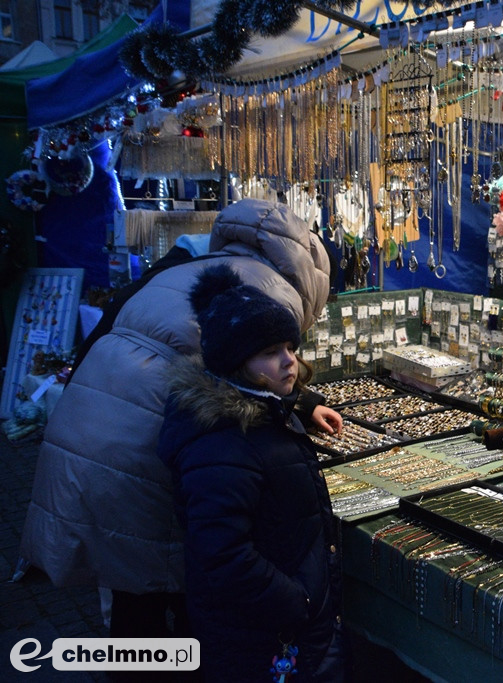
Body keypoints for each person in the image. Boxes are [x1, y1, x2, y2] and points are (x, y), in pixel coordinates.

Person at [19, 198, 338, 650]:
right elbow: (242, 362)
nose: (289, 355)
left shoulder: (200, 266)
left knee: (132, 591)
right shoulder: (266, 289)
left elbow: (230, 357)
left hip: (87, 422)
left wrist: (304, 403)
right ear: (309, 273)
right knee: (167, 587)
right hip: (134, 452)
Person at [157, 264, 343, 681]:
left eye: (291, 348)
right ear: (237, 363)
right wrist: (299, 603)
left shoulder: (260, 413)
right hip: (261, 635)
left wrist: (303, 402)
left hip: (283, 625)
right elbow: (223, 556)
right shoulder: (222, 443)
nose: (289, 362)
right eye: (270, 353)